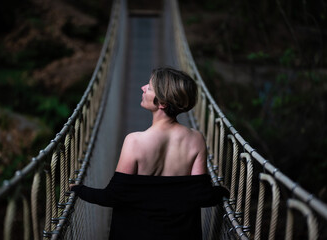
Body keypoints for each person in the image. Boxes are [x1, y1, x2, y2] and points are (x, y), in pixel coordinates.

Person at [70, 67, 229, 240]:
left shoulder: (135, 141)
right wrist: (221, 192)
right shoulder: (196, 139)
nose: (143, 88)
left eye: (150, 88)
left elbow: (112, 196)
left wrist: (79, 189)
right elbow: (202, 195)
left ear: (162, 103)